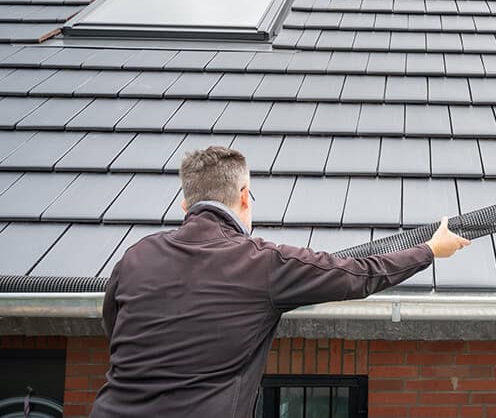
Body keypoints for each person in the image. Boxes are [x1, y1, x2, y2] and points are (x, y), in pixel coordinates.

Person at [90, 146, 470, 418]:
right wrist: (431, 250)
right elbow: (359, 274)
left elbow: (114, 327)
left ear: (185, 206)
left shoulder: (135, 257)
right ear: (243, 197)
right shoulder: (263, 264)